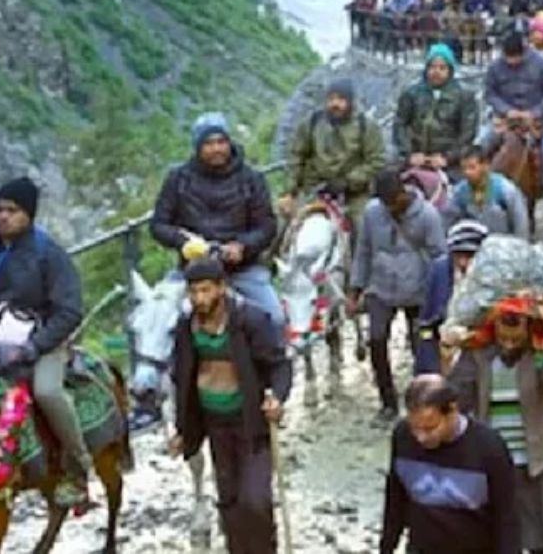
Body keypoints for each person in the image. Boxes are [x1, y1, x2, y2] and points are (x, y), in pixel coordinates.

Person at [0, 178, 89, 507]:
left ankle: (77, 469)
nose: (3, 216)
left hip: (42, 343)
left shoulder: (49, 254)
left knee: (47, 392)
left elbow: (70, 310)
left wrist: (34, 346)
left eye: (12, 210)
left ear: (29, 215)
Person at [169, 257, 291, 554]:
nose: (200, 299)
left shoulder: (251, 320)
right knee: (229, 500)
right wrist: (183, 429)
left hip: (250, 421)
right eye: (194, 292)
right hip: (214, 422)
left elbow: (278, 364)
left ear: (222, 288)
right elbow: (182, 377)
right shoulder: (187, 327)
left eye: (206, 290)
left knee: (255, 500)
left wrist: (277, 395)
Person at [449, 296, 543, 554]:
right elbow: (456, 398)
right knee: (499, 536)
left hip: (539, 461)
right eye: (502, 337)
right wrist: (447, 355)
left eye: (515, 338)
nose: (508, 344)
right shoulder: (478, 355)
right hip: (495, 462)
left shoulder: (541, 353)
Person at [152, 113, 281, 324]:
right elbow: (159, 224)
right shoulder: (178, 179)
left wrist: (242, 246)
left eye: (221, 142)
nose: (216, 149)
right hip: (192, 270)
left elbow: (267, 226)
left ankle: (276, 357)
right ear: (197, 147)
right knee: (157, 319)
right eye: (208, 143)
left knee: (274, 318)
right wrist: (183, 241)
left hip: (242, 269)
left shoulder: (251, 178)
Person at [382, 375, 520, 554]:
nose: (420, 437)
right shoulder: (402, 437)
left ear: (452, 411)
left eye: (430, 428)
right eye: (414, 427)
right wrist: (386, 547)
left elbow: (507, 518)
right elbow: (395, 500)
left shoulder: (488, 447)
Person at [351, 168, 447, 423]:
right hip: (381, 288)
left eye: (393, 201)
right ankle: (387, 402)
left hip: (418, 289)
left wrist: (439, 297)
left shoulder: (428, 216)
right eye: (385, 203)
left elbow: (440, 257)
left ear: (403, 193)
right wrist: (356, 288)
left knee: (421, 346)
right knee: (377, 340)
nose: (390, 207)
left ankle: (423, 400)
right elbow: (363, 251)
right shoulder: (372, 214)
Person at [282, 78, 386, 239]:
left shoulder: (366, 126)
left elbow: (376, 161)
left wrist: (348, 182)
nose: (335, 104)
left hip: (353, 194)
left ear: (350, 101)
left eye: (341, 99)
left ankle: (361, 263)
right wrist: (290, 191)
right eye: (331, 99)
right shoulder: (312, 123)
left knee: (363, 227)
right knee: (291, 228)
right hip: (315, 189)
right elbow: (296, 156)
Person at [484, 32, 543, 221]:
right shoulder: (495, 67)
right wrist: (506, 111)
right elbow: (490, 93)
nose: (512, 62)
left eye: (516, 58)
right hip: (508, 118)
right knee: (483, 140)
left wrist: (536, 113)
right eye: (508, 58)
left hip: (541, 119)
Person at [415, 221, 489, 375]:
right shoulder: (438, 271)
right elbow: (426, 324)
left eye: (470, 255)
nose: (463, 262)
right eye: (458, 255)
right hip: (445, 353)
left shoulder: (497, 276)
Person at [394, 44, 480, 175]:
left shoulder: (464, 97)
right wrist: (409, 154)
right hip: (416, 159)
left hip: (449, 163)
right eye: (432, 67)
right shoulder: (412, 94)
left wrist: (447, 158)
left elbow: (467, 135)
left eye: (442, 68)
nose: (436, 72)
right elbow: (399, 124)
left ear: (449, 71)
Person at [445, 146, 531, 239]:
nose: (467, 172)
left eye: (472, 167)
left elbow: (521, 225)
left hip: (504, 245)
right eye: (464, 168)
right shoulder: (459, 192)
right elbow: (449, 221)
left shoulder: (505, 190)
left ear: (485, 165)